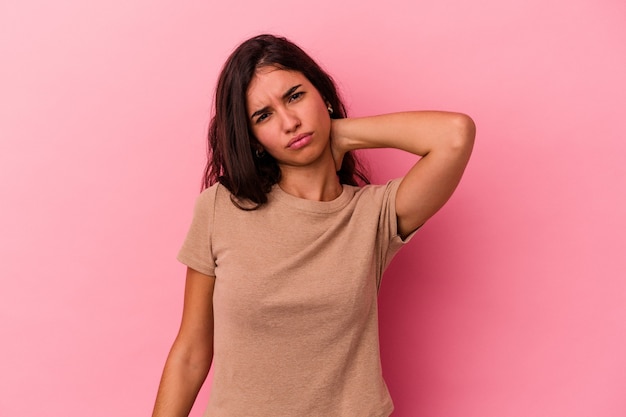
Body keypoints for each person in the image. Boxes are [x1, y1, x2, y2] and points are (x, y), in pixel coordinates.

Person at [152, 34, 475, 417]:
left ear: (322, 94)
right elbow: (190, 352)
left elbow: (455, 135)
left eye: (294, 96)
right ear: (253, 139)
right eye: (264, 116)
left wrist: (339, 133)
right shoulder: (221, 208)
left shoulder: (374, 214)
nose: (290, 123)